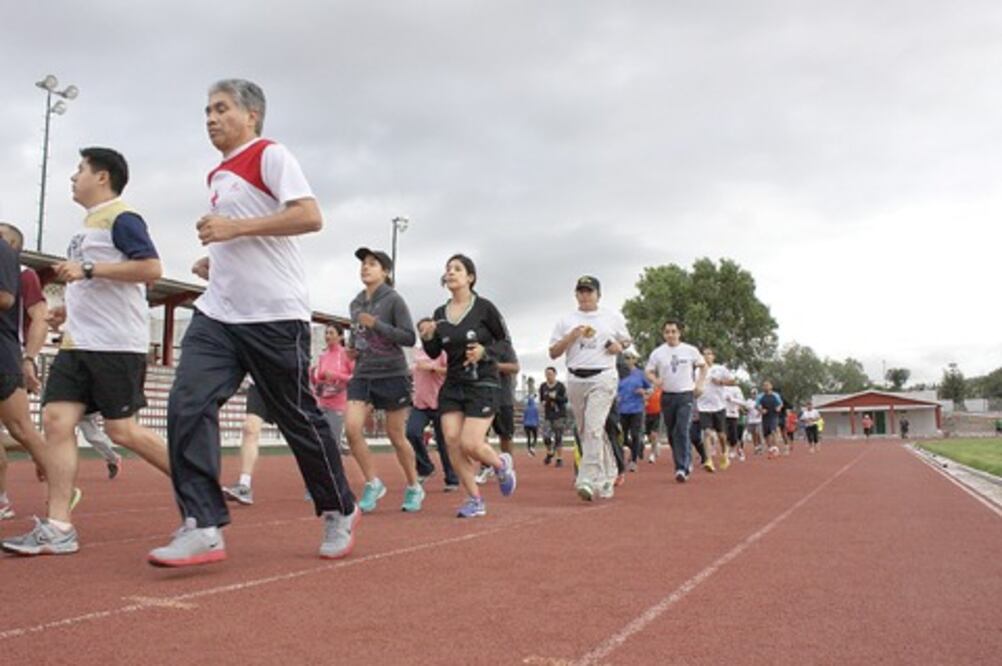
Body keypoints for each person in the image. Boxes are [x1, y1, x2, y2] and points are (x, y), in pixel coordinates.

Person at [149, 79, 357, 567]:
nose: (211, 118)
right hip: (219, 313)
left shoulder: (269, 155)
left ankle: (339, 507)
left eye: (221, 109)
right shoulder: (217, 175)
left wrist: (234, 229)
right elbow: (243, 240)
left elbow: (309, 216)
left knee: (298, 418)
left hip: (273, 315)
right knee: (186, 403)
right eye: (207, 110)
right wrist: (218, 260)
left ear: (252, 116)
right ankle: (202, 524)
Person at [4, 149, 171, 557]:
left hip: (115, 344)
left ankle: (199, 485)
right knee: (56, 421)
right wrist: (68, 308)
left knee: (121, 431)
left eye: (79, 169)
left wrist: (90, 270)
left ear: (102, 177)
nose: (72, 176)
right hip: (77, 342)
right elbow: (94, 283)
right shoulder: (85, 228)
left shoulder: (123, 218)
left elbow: (151, 269)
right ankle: (59, 526)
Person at [418, 254, 516, 518]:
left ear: (470, 277)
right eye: (448, 269)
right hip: (453, 384)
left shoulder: (485, 308)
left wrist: (485, 351)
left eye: (457, 269)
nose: (451, 272)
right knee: (451, 440)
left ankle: (500, 464)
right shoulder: (440, 314)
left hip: (483, 382)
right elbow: (434, 351)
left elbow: (504, 343)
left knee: (471, 444)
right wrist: (427, 336)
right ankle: (475, 499)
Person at [343, 247, 423, 513]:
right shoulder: (355, 304)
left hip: (392, 373)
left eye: (372, 264)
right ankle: (373, 482)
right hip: (363, 374)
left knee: (396, 435)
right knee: (352, 429)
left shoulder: (394, 300)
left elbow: (409, 337)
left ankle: (414, 485)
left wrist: (376, 324)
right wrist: (353, 349)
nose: (365, 267)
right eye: (363, 263)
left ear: (386, 272)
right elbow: (358, 335)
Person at [549, 275, 631, 501]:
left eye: (589, 291)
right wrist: (571, 337)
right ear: (576, 294)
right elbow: (553, 352)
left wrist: (619, 346)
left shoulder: (611, 317)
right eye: (581, 291)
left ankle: (586, 478)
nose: (585, 295)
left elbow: (626, 340)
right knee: (587, 431)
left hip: (603, 376)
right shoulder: (566, 320)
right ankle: (608, 474)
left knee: (594, 428)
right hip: (576, 378)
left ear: (598, 295)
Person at [0, 224, 53, 526]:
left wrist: (29, 359)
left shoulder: (25, 274)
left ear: (13, 246)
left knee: (22, 429)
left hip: (8, 356)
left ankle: (61, 489)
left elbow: (40, 317)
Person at [645, 319, 706, 483]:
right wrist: (655, 380)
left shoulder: (690, 350)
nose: (670, 335)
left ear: (679, 333)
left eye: (673, 331)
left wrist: (700, 384)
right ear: (663, 334)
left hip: (685, 394)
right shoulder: (658, 353)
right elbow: (648, 371)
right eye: (667, 332)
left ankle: (681, 468)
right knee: (672, 433)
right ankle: (685, 459)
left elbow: (703, 366)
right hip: (667, 395)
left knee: (682, 429)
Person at [406, 320, 459, 492]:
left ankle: (452, 478)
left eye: (428, 328)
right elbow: (412, 370)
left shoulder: (442, 352)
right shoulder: (417, 352)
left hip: (440, 403)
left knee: (443, 443)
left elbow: (453, 370)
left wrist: (432, 367)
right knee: (411, 432)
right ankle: (425, 467)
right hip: (420, 403)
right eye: (421, 329)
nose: (425, 331)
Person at [221, 380, 274, 505]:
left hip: (290, 384)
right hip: (259, 383)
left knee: (301, 433)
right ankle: (244, 486)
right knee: (250, 428)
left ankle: (315, 480)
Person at [476, 337, 520, 484]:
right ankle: (486, 465)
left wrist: (494, 366)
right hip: (481, 396)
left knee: (506, 435)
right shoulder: (476, 345)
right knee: (480, 435)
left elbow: (515, 368)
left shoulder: (504, 346)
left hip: (503, 397)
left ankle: (508, 468)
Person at [695, 347, 735, 472]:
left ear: (713, 356)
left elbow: (732, 380)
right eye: (704, 354)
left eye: (709, 354)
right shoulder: (697, 371)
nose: (706, 356)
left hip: (719, 406)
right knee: (706, 432)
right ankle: (708, 460)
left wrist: (721, 382)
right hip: (703, 406)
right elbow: (694, 385)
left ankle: (724, 453)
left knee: (721, 435)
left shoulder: (720, 369)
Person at [617, 348, 651, 472]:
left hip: (636, 409)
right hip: (621, 410)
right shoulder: (618, 374)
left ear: (635, 360)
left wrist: (644, 392)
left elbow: (650, 389)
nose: (628, 360)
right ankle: (636, 448)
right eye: (626, 358)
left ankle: (634, 461)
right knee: (622, 437)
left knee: (636, 434)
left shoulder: (640, 374)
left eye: (631, 358)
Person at [540, 366, 568, 467]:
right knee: (546, 436)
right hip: (548, 415)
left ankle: (559, 458)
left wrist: (555, 397)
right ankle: (550, 452)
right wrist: (543, 402)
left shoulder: (560, 386)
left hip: (559, 414)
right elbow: (542, 399)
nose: (548, 376)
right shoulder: (543, 386)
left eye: (550, 374)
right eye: (547, 374)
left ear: (555, 374)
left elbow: (565, 400)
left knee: (558, 436)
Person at [755, 381, 784, 458]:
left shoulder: (775, 395)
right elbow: (757, 405)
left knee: (773, 431)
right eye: (764, 385)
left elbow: (781, 404)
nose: (766, 387)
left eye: (767, 385)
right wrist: (761, 410)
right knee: (766, 434)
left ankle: (776, 449)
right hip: (765, 416)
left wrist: (779, 408)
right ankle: (770, 449)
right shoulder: (760, 396)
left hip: (774, 415)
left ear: (771, 386)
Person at [724, 383, 746, 461]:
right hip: (722, 414)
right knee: (724, 434)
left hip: (733, 415)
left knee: (734, 435)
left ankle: (739, 451)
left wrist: (732, 399)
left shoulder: (736, 389)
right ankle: (727, 452)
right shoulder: (721, 387)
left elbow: (743, 402)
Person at [644, 385, 662, 463]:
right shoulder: (645, 389)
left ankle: (652, 454)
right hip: (647, 414)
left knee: (653, 434)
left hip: (657, 413)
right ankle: (656, 444)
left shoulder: (660, 390)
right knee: (649, 436)